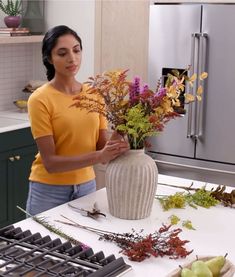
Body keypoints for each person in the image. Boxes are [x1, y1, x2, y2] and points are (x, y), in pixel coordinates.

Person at [26, 25, 129, 216]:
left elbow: (101, 146)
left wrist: (123, 128)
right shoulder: (40, 99)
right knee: (45, 246)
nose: (72, 58)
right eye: (62, 53)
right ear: (49, 58)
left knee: (83, 245)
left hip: (86, 188)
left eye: (76, 50)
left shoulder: (94, 94)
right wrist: (100, 157)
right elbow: (51, 163)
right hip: (49, 191)